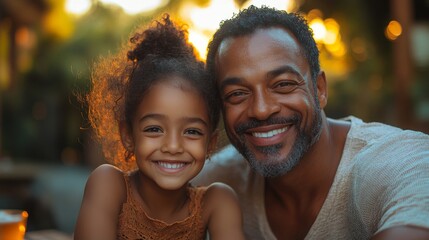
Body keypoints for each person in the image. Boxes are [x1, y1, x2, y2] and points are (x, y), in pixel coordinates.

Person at [192, 5, 429, 240]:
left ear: (320, 89)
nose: (261, 110)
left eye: (283, 84)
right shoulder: (216, 181)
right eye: (237, 94)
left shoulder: (399, 160)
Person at [74, 14, 244, 240]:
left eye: (192, 131)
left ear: (210, 144)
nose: (173, 146)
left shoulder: (217, 202)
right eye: (154, 129)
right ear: (128, 135)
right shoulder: (109, 185)